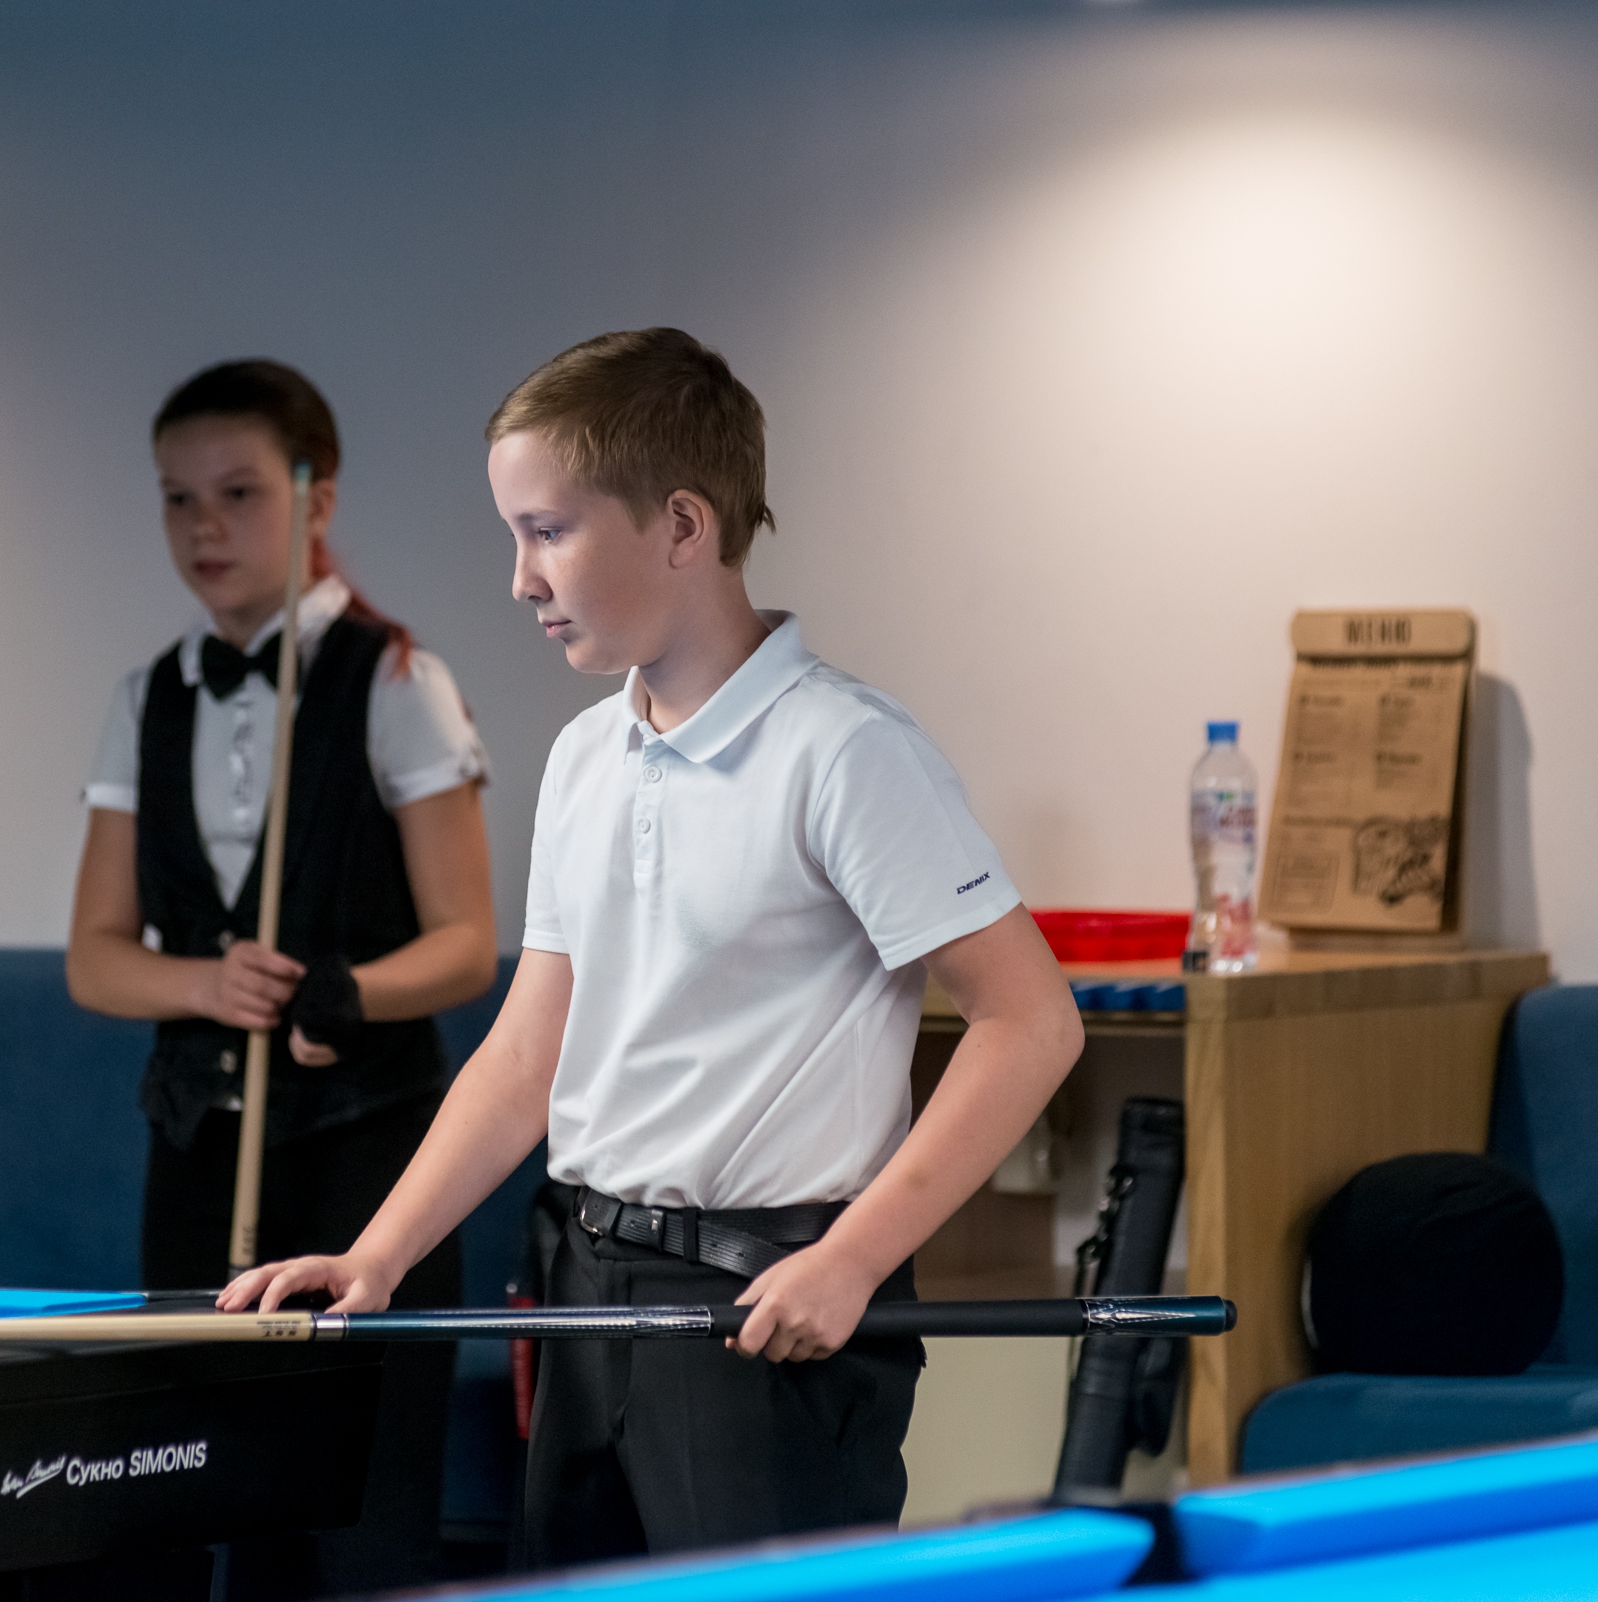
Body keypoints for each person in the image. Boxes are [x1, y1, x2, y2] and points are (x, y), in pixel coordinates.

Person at [224, 328, 1085, 1565]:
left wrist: (853, 1260)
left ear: (683, 525)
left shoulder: (844, 751)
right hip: (584, 1289)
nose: (520, 578)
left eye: (547, 531)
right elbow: (528, 1055)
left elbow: (1031, 1022)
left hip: (767, 1307)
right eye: (514, 535)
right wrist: (379, 1255)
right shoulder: (584, 755)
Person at [66, 359, 496, 1597]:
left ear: (318, 498)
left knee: (363, 1508)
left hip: (371, 1156)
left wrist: (344, 991)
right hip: (199, 1155)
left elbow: (467, 942)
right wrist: (208, 987)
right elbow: (96, 959)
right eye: (178, 499)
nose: (204, 527)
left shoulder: (399, 682)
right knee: (203, 1488)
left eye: (239, 492)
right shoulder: (145, 699)